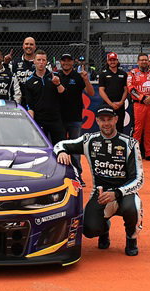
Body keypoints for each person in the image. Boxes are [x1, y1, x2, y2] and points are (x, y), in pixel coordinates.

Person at [54, 107, 143, 256]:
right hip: (100, 193)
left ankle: (131, 238)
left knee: (132, 208)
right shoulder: (89, 140)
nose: (106, 123)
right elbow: (60, 144)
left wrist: (116, 193)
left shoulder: (130, 144)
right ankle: (104, 229)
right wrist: (62, 152)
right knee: (88, 229)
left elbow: (139, 179)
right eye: (102, 120)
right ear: (97, 121)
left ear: (116, 119)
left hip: (125, 192)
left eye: (109, 119)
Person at [20, 50, 67, 145]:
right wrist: (31, 122)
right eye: (39, 60)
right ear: (34, 61)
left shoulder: (56, 76)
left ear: (46, 62)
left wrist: (58, 84)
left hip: (56, 119)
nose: (41, 62)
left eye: (43, 60)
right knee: (41, 149)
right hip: (39, 121)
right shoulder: (29, 81)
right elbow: (30, 104)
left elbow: (64, 95)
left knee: (61, 148)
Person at [95, 52, 131, 134]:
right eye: (110, 60)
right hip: (107, 105)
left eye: (114, 60)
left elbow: (126, 89)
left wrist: (121, 102)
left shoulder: (123, 74)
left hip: (120, 105)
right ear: (107, 61)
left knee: (119, 127)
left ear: (117, 61)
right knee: (107, 127)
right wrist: (110, 104)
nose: (112, 62)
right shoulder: (103, 74)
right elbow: (101, 90)